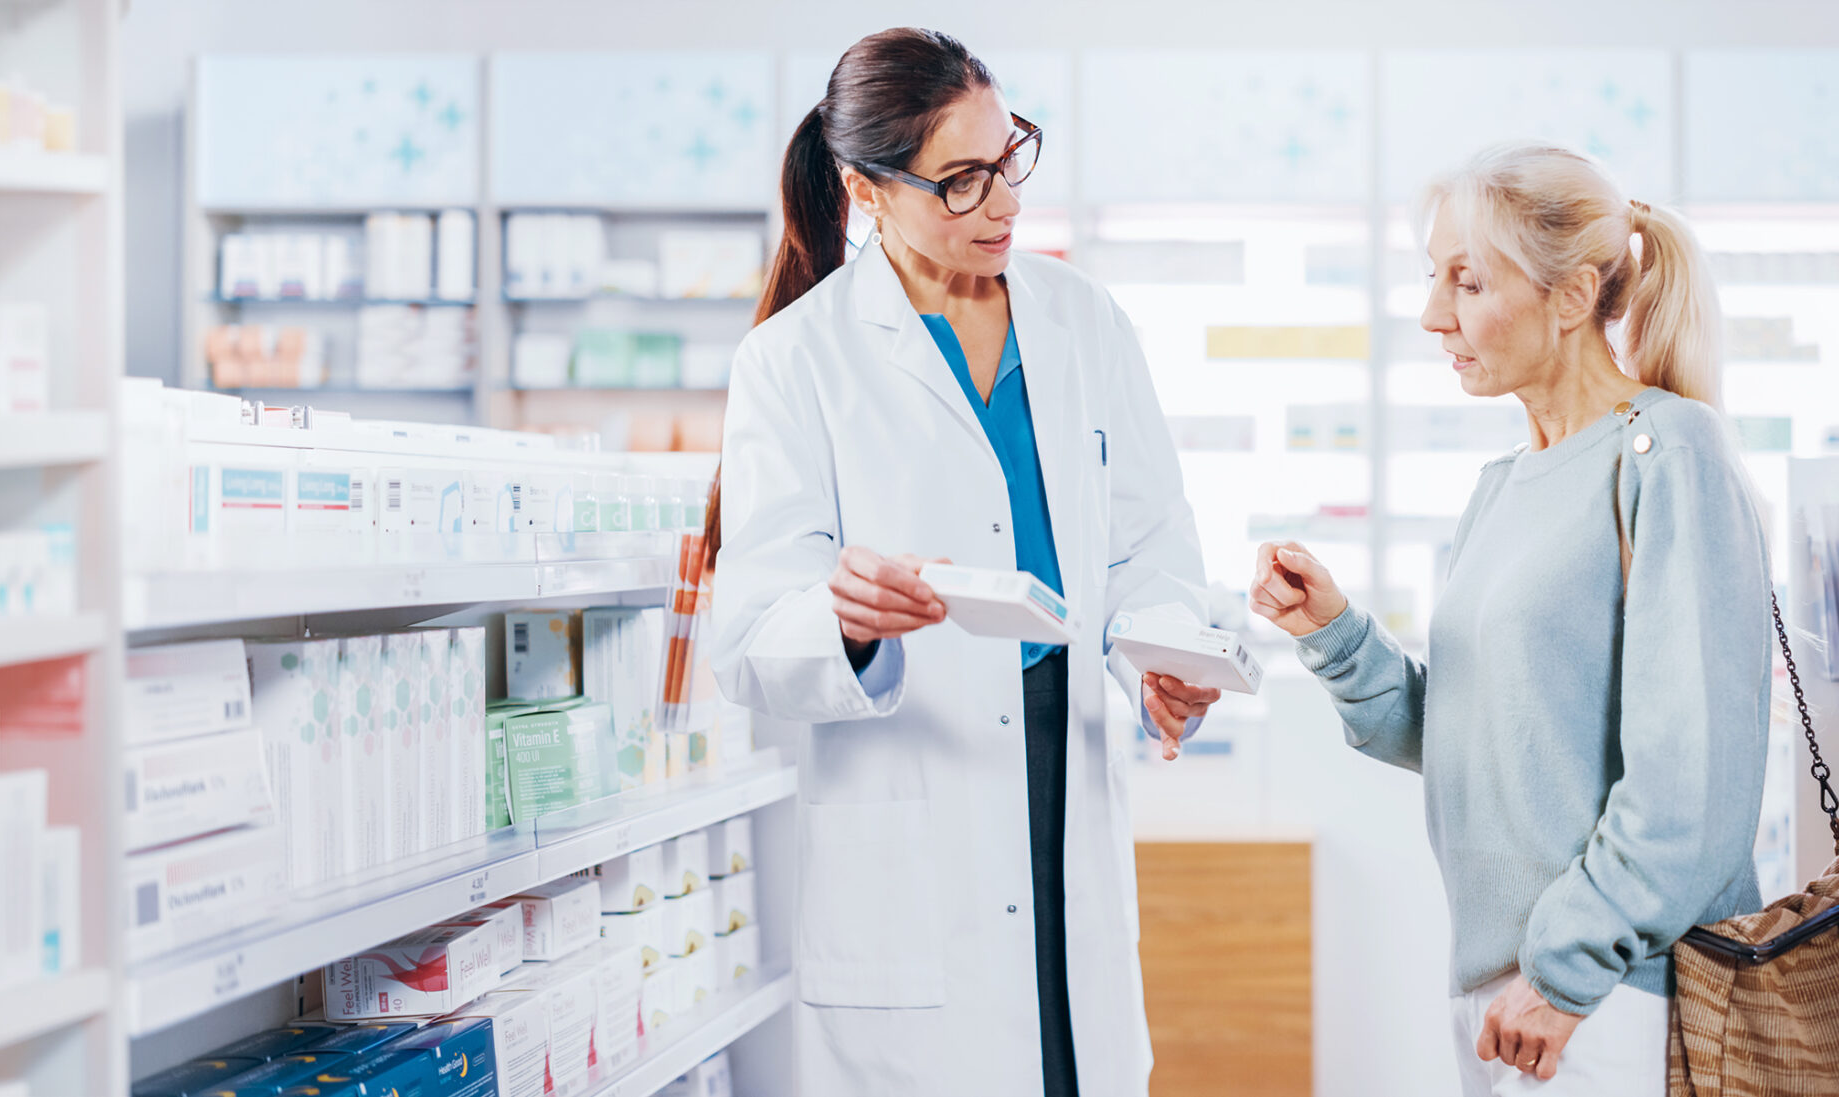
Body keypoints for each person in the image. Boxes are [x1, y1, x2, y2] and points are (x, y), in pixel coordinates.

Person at [708, 27, 1219, 1097]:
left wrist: (1158, 650)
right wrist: (843, 616)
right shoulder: (794, 360)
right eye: (961, 181)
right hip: (913, 789)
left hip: (1060, 770)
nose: (1004, 202)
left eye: (1010, 157)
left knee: (1072, 1060)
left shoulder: (1084, 322)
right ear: (865, 188)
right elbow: (753, 636)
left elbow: (1148, 541)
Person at [1249, 144, 1771, 1096]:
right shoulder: (1502, 489)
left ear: (1570, 297)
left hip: (1614, 995)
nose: (1432, 313)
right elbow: (1473, 740)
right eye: (1433, 276)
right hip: (1508, 985)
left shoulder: (1666, 453)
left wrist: (1565, 972)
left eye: (1468, 280)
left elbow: (1692, 783)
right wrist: (1333, 633)